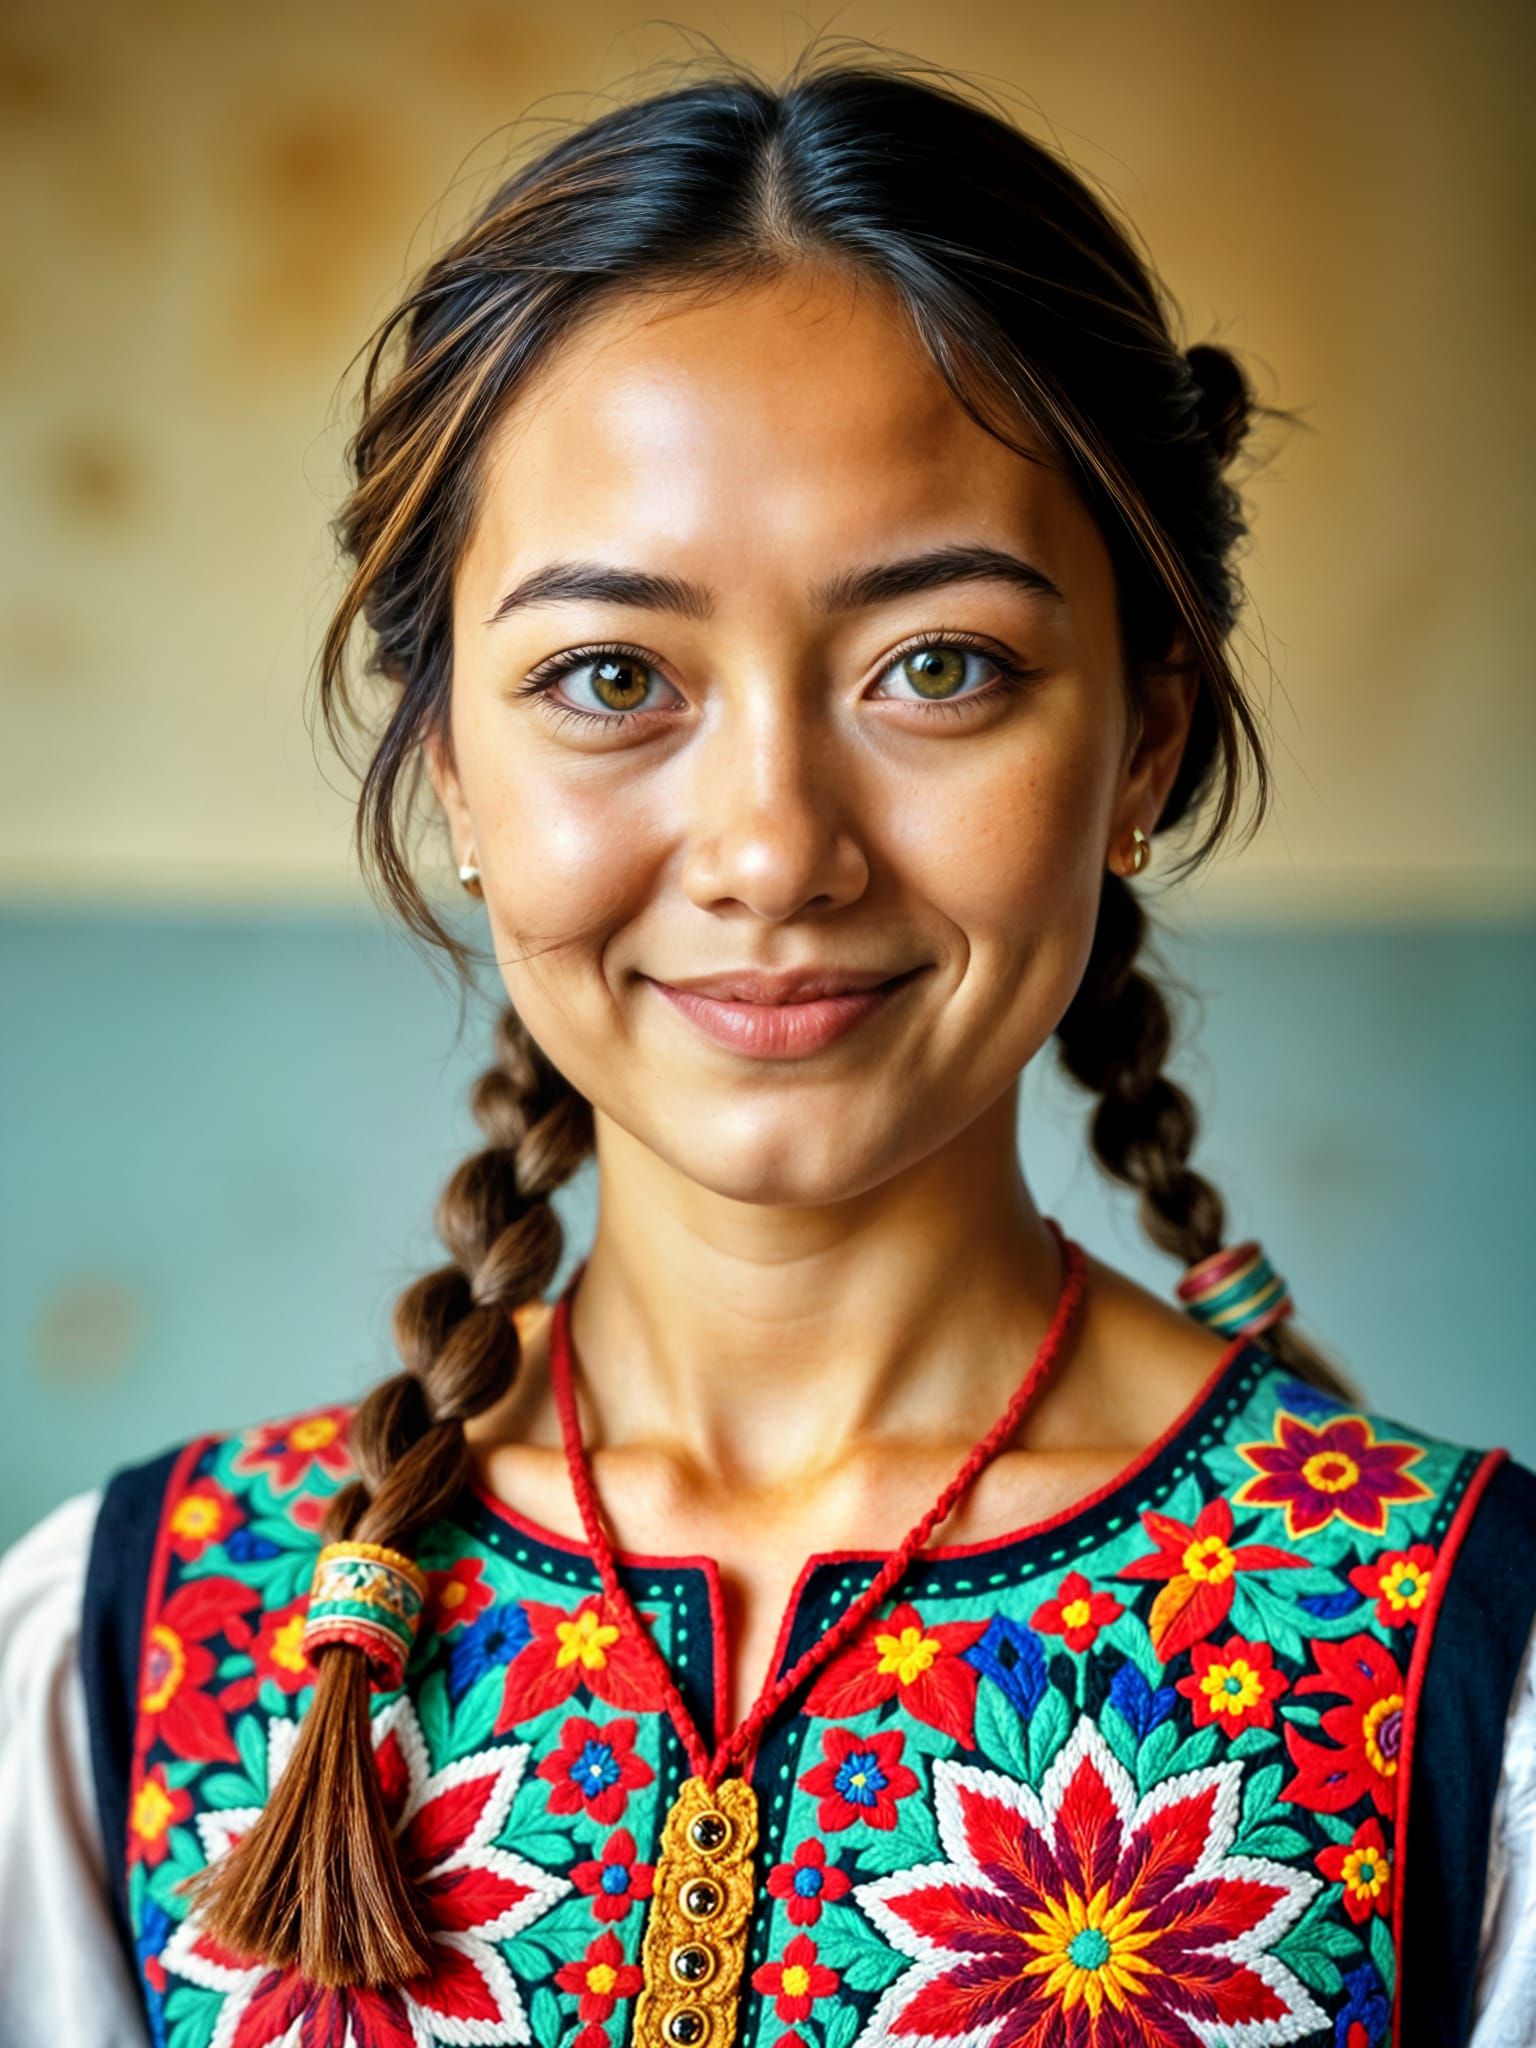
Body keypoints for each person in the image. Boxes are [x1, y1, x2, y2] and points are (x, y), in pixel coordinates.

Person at [1, 40, 1532, 2048]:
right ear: (453, 762)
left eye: (941, 666)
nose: (773, 850)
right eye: (612, 675)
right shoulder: (131, 1652)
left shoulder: (1461, 1679)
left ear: (1143, 734)